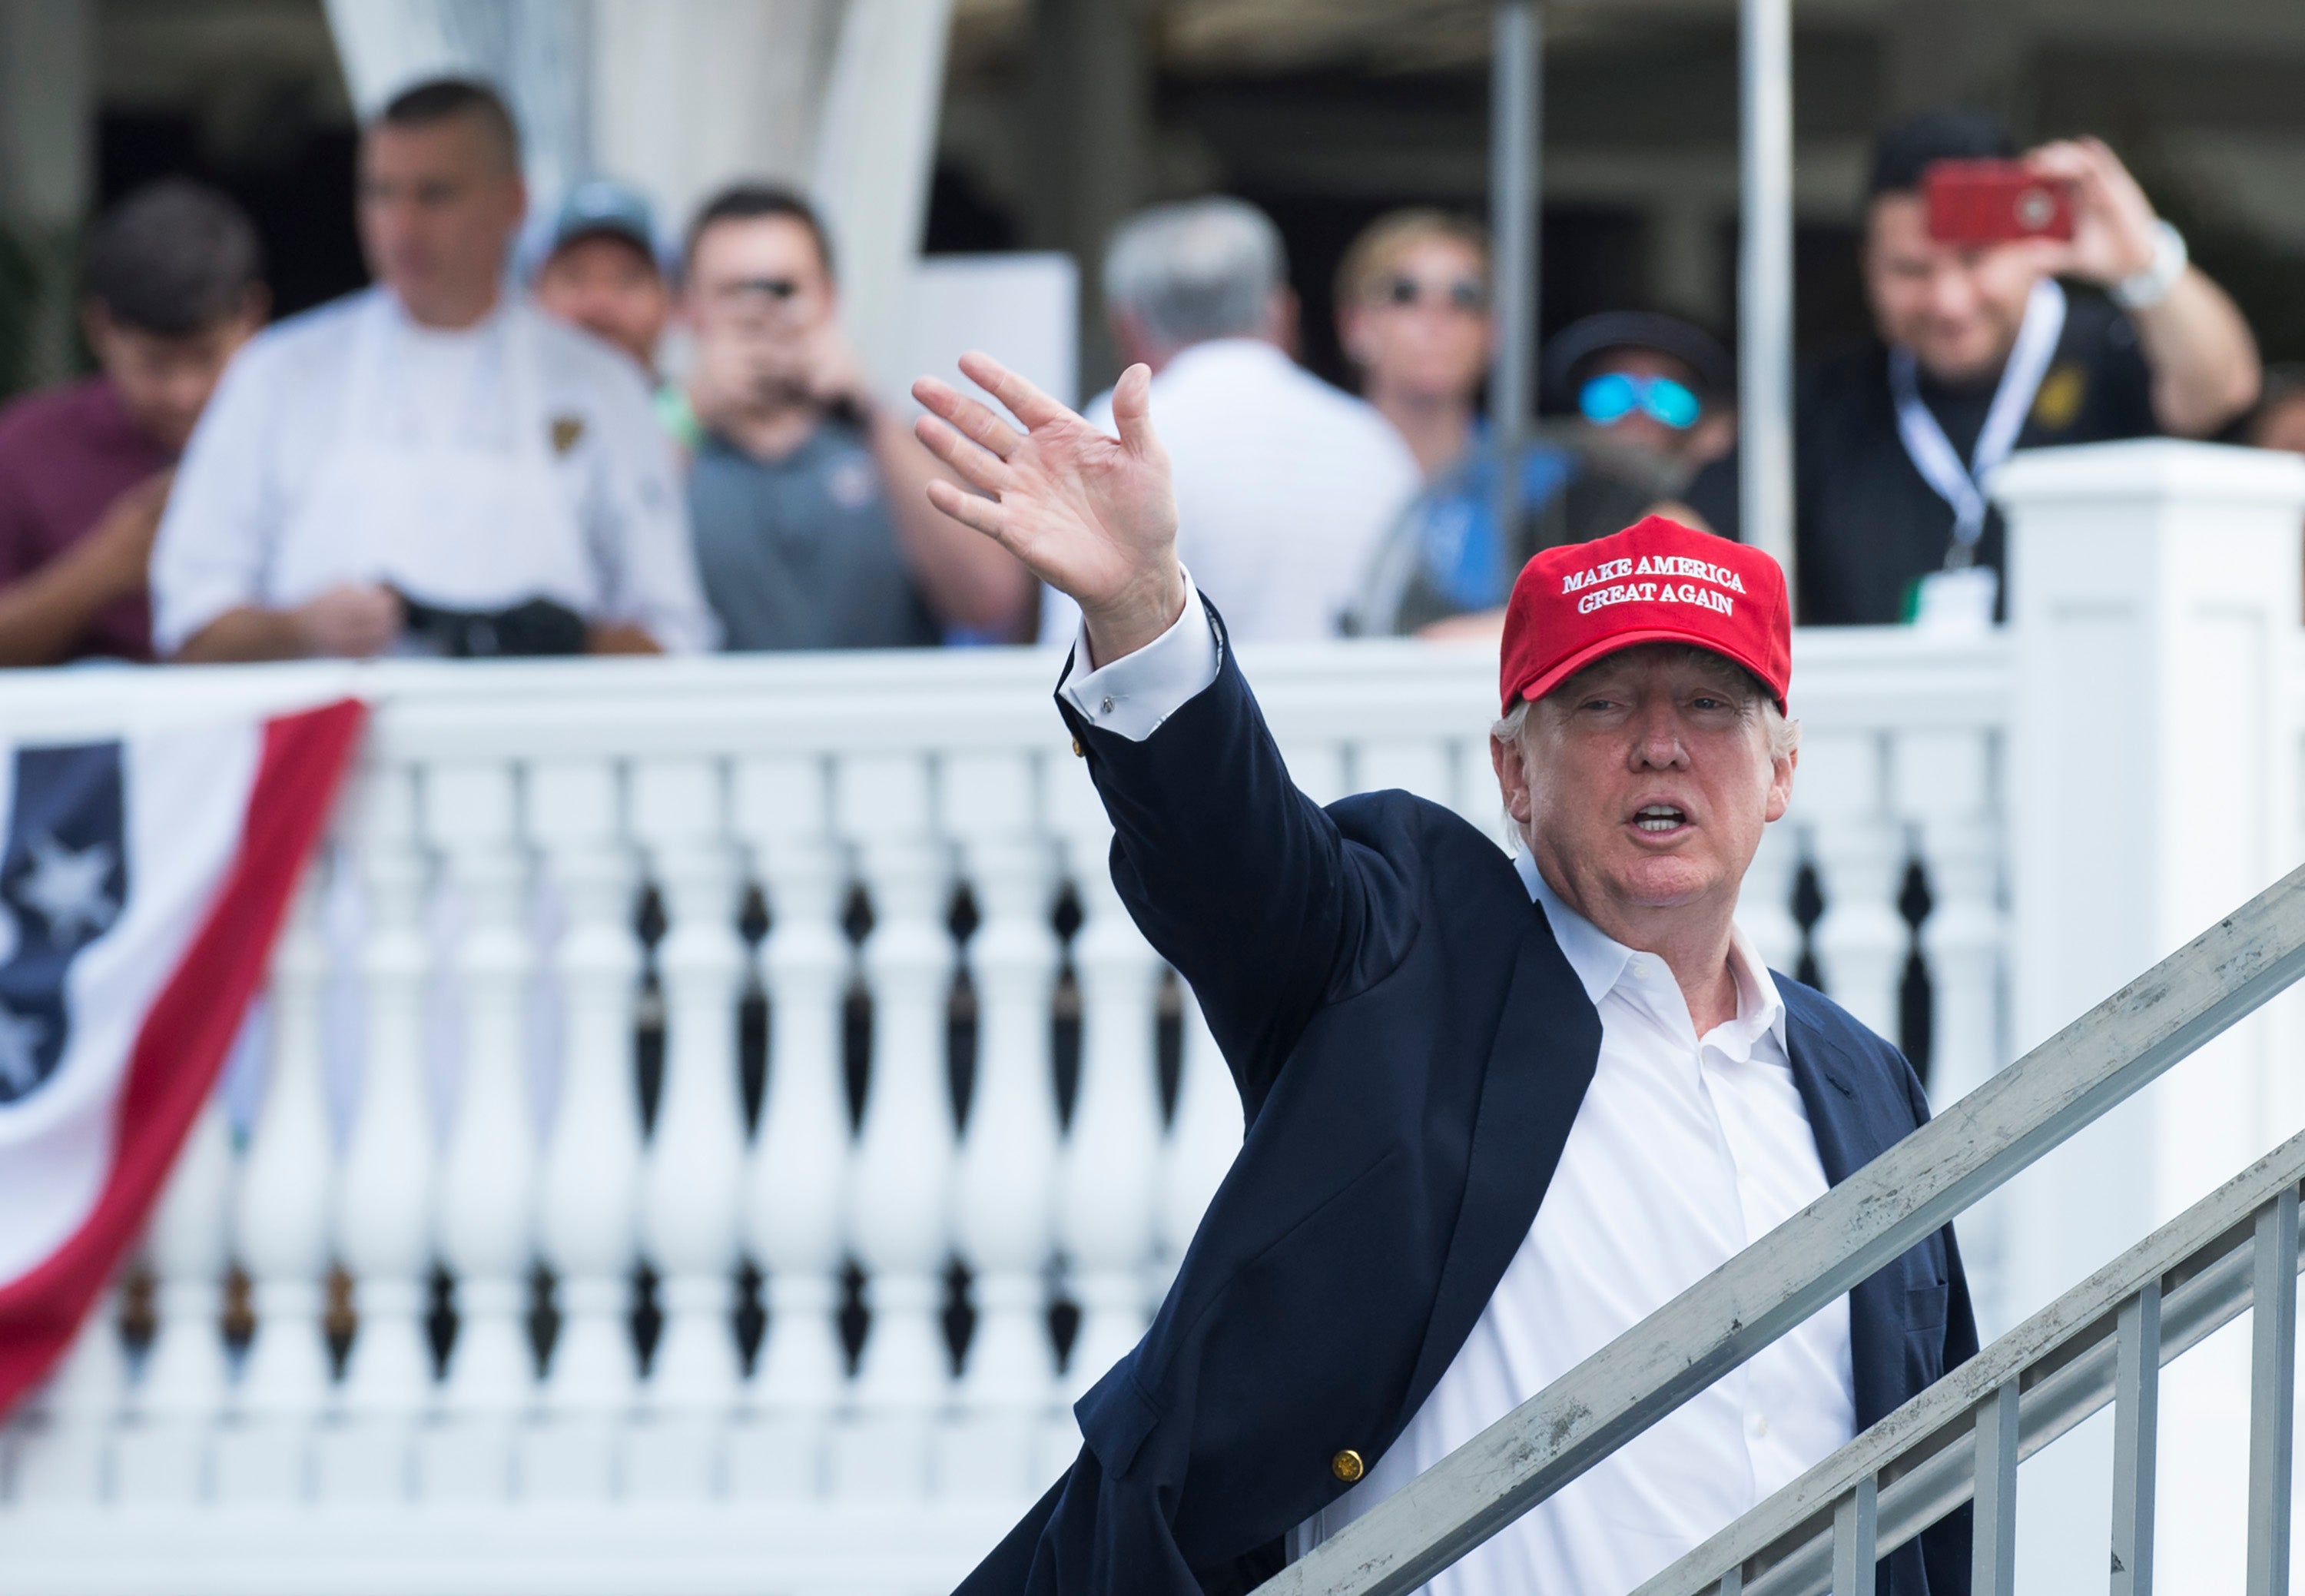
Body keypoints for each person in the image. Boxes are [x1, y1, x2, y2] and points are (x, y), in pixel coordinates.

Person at [911, 350, 1974, 1594]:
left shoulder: (1859, 1081)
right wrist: (1143, 601)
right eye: (1601, 706)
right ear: (1514, 772)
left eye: (1711, 702)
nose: (1661, 746)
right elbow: (1229, 851)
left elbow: (1927, 1467)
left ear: (1782, 768)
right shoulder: (1400, 952)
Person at [149, 77, 715, 662]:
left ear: (512, 202)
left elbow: (673, 638)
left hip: (540, 744)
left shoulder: (601, 385)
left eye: (435, 194)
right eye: (381, 193)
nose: (403, 226)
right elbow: (186, 624)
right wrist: (300, 629)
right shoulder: (277, 372)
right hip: (331, 744)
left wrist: (564, 641)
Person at [1709, 108, 2259, 628]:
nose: (1949, 301)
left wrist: (2145, 262)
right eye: (1910, 270)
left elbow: (2223, 387)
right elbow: (1692, 536)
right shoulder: (1825, 398)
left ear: (2032, 245)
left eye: (1975, 260)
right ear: (1868, 266)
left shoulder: (2115, 347)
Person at [1038, 197, 1419, 645]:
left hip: (1196, 715)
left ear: (1126, 326)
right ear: (1281, 311)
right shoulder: (1372, 441)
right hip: (1360, 715)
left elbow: (1074, 657)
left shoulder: (1116, 435)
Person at [1334, 207, 1730, 636]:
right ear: (1356, 325)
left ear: (1495, 331)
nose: (1437, 317)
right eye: (1404, 293)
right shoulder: (1304, 455)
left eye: (1466, 296)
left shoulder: (1545, 479)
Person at [679, 184, 1032, 650]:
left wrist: (868, 410)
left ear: (829, 299)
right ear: (688, 309)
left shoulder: (893, 441)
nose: (759, 312)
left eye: (782, 289)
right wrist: (685, 414)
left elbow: (990, 603)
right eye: (733, 291)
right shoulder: (662, 440)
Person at [0, 181, 267, 665]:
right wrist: (105, 565)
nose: (184, 394)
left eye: (206, 359)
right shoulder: (24, 446)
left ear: (253, 316)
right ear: (101, 329)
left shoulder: (307, 436)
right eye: (156, 365)